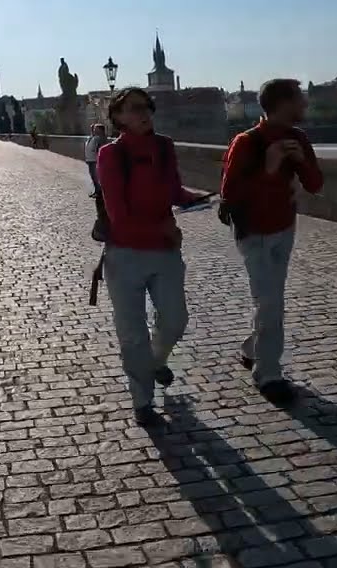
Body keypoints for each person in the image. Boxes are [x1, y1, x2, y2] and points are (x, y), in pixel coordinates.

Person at [98, 88, 208, 427]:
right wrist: (163, 228)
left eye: (146, 107)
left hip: (164, 252)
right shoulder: (110, 155)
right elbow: (119, 215)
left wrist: (197, 198)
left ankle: (156, 362)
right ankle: (142, 401)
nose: (143, 113)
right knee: (132, 333)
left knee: (176, 319)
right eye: (133, 109)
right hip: (125, 254)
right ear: (118, 117)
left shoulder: (164, 146)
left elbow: (174, 191)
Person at [218, 78, 323, 405]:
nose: (305, 105)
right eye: (299, 99)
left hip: (283, 228)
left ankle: (253, 348)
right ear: (282, 103)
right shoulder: (247, 142)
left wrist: (301, 163)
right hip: (254, 231)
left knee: (271, 298)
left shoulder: (298, 138)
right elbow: (230, 193)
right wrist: (271, 166)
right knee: (270, 301)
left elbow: (316, 184)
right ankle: (268, 373)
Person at [84, 123, 109, 198]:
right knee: (93, 177)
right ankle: (97, 191)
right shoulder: (93, 137)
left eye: (96, 129)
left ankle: (99, 192)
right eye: (94, 129)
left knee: (96, 177)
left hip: (95, 160)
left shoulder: (100, 138)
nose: (94, 130)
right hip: (90, 159)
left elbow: (99, 149)